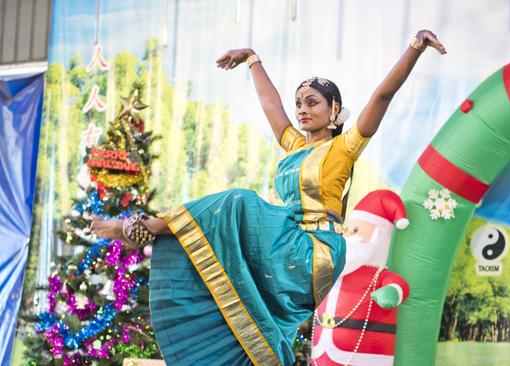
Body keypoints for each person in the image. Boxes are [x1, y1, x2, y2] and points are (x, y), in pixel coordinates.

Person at [91, 30, 446, 366]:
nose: (302, 109)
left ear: (334, 110)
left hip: (316, 248)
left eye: (312, 102)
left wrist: (415, 46)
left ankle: (148, 227)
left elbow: (382, 96)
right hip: (286, 240)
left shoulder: (344, 148)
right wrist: (251, 59)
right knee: (246, 304)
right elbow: (269, 103)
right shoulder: (294, 145)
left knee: (237, 204)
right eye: (299, 104)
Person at [311, 190, 411, 366]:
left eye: (355, 230)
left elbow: (399, 285)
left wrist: (393, 291)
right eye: (347, 230)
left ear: (378, 237)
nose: (348, 236)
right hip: (322, 351)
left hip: (364, 355)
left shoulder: (379, 274)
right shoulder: (334, 269)